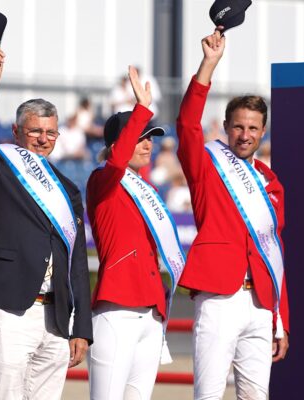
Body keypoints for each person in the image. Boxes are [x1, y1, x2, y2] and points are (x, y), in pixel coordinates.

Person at [0, 41, 92, 400]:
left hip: (56, 317)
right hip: (8, 308)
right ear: (17, 133)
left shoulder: (66, 189)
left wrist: (82, 326)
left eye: (50, 133)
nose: (43, 140)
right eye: (35, 132)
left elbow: (77, 260)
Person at [177, 30, 290, 400]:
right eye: (238, 126)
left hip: (260, 304)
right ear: (226, 128)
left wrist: (280, 320)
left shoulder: (271, 182)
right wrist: (208, 65)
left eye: (253, 128)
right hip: (219, 298)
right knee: (208, 394)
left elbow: (274, 252)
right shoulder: (207, 166)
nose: (245, 134)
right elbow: (188, 126)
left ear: (263, 132)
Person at [86, 66, 183, 400]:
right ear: (117, 144)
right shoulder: (103, 180)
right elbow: (115, 165)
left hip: (151, 313)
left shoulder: (147, 187)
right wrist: (142, 109)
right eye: (140, 136)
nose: (148, 144)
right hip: (117, 309)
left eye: (150, 136)